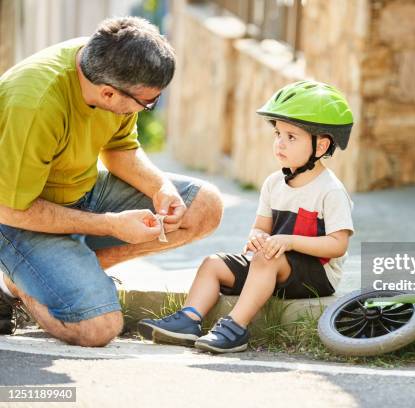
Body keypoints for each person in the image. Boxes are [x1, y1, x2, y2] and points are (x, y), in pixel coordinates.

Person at [0, 17, 223, 347]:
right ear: (107, 92)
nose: (148, 108)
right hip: (19, 217)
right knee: (99, 327)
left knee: (204, 206)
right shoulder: (34, 104)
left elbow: (120, 149)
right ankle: (22, 282)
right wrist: (110, 225)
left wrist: (159, 187)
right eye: (147, 102)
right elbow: (10, 209)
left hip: (81, 191)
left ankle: (57, 272)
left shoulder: (114, 67)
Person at [138, 80, 354, 353]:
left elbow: (338, 245)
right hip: (271, 265)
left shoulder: (330, 191)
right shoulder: (274, 183)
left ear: (321, 146)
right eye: (278, 134)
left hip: (315, 275)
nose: (280, 143)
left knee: (266, 258)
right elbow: (259, 228)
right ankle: (188, 320)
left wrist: (288, 241)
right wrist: (257, 238)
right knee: (213, 263)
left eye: (291, 137)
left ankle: (235, 328)